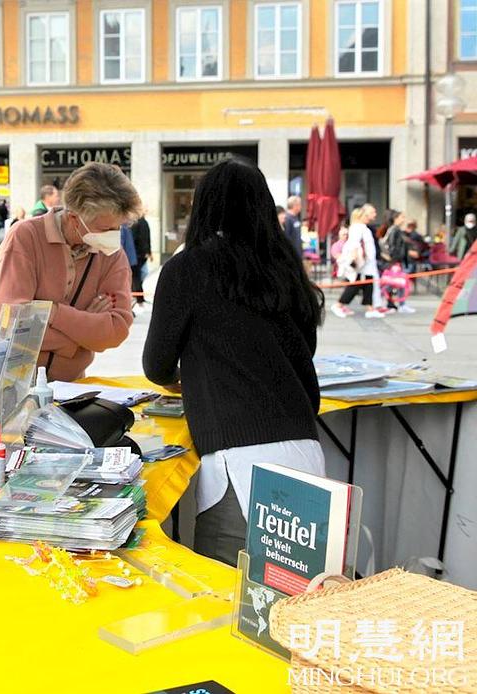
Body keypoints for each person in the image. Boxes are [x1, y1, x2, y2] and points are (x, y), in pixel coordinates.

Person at [142, 158, 326, 567]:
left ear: (203, 207)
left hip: (239, 468)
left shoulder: (188, 268)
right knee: (298, 597)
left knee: (232, 606)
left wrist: (187, 378)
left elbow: (156, 365)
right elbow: (301, 353)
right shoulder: (285, 268)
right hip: (306, 451)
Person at [0, 162, 138, 381]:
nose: (114, 236)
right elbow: (10, 323)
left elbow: (116, 330)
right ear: (74, 218)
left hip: (70, 387)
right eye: (106, 229)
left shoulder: (112, 254)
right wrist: (82, 334)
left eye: (119, 227)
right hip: (7, 383)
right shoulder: (25, 237)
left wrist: (53, 312)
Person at [332, 204, 386, 318]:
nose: (367, 217)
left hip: (366, 262)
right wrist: (356, 258)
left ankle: (369, 308)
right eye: (365, 215)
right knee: (356, 284)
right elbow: (355, 244)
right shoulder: (358, 227)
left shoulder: (360, 227)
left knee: (367, 284)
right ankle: (339, 305)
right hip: (362, 263)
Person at [129, 211, 152, 307]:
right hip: (138, 254)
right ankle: (138, 297)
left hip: (139, 254)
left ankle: (138, 297)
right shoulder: (139, 223)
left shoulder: (140, 223)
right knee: (137, 276)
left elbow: (144, 238)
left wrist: (147, 251)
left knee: (138, 276)